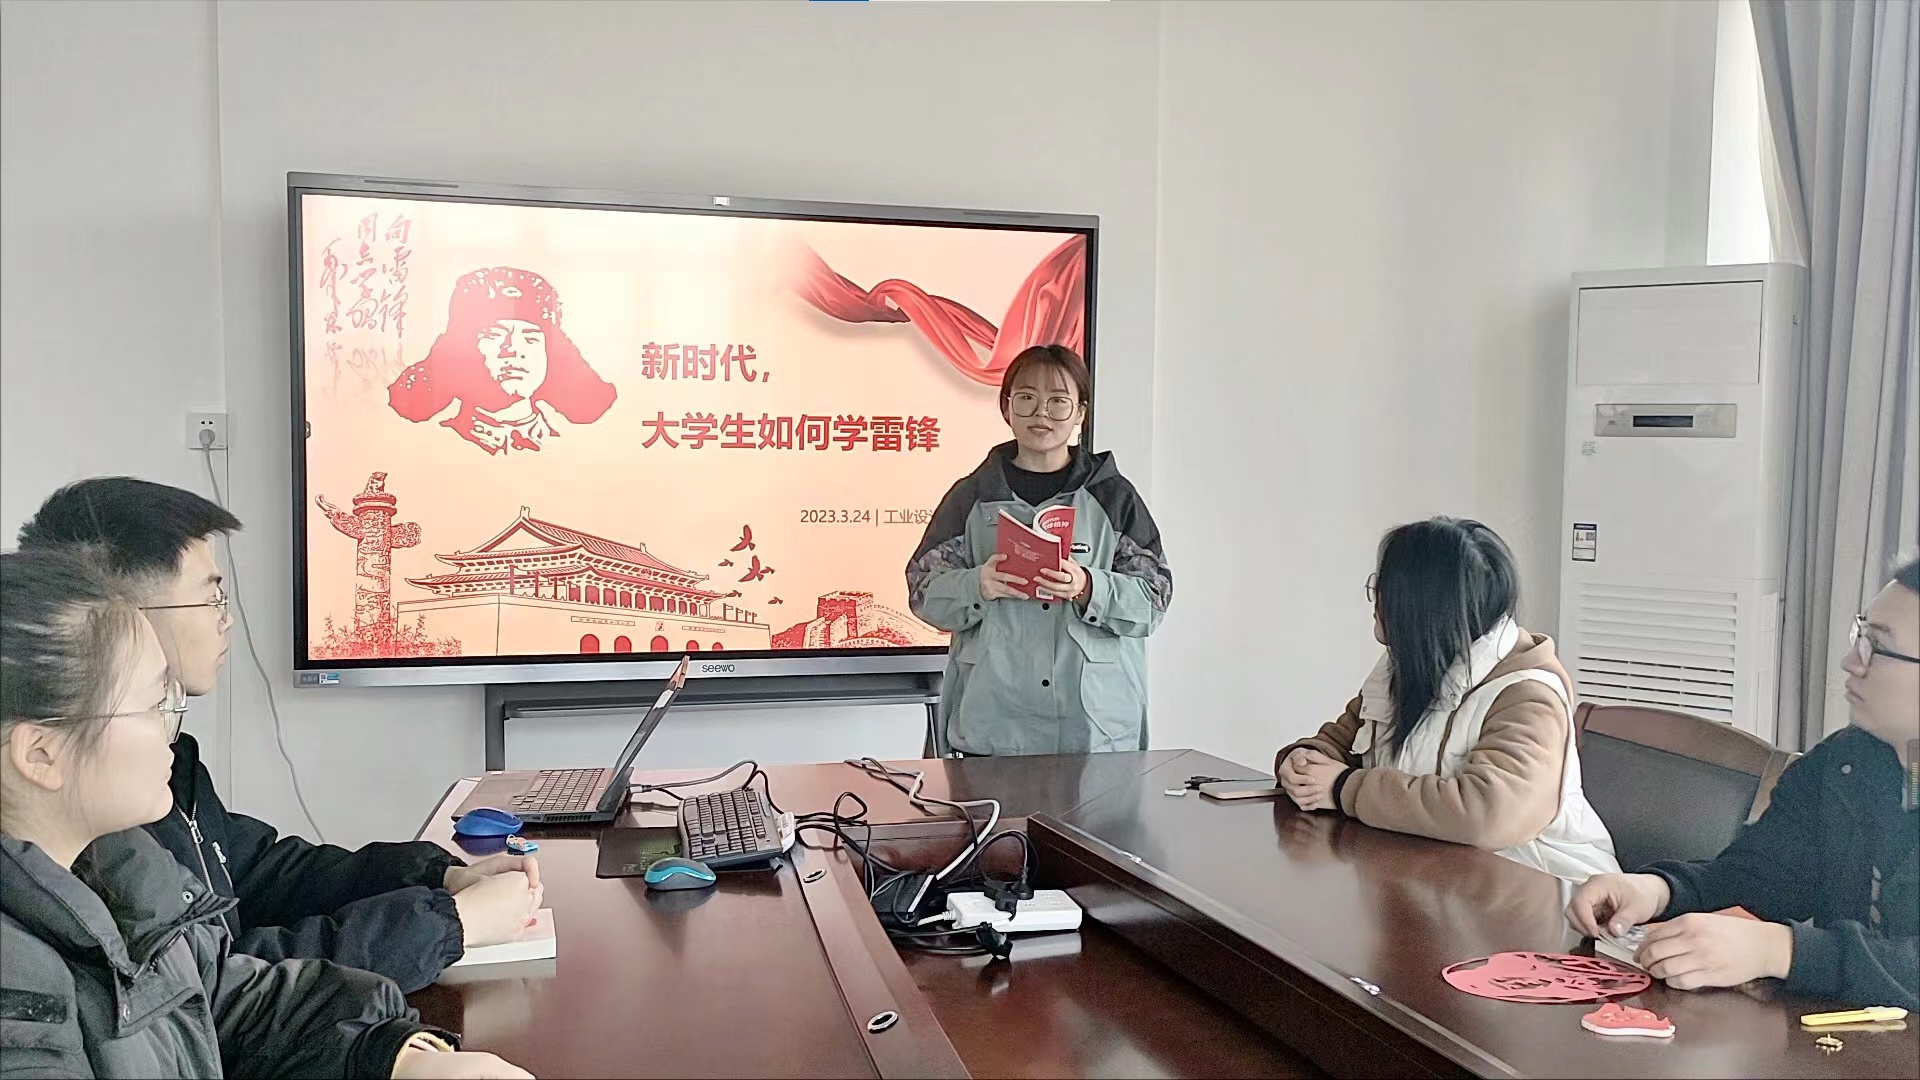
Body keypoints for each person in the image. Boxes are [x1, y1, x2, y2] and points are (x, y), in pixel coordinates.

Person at [1, 548, 531, 1078]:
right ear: (41, 754)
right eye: (152, 704)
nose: (171, 726)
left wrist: (392, 1057)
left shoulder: (125, 869)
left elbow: (228, 1005)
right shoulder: (19, 994)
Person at [1566, 559, 1919, 1008]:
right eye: (1860, 636)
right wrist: (1657, 891)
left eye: (1877, 647)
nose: (1850, 662)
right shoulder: (1849, 761)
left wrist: (1780, 950)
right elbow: (1762, 875)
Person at [1275, 517, 1618, 880]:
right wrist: (1304, 761)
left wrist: (1345, 788)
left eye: (1384, 588)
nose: (1375, 602)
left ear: (1422, 606)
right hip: (1433, 880)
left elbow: (1489, 815)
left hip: (1546, 888)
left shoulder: (1527, 694)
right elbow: (1343, 741)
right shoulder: (1406, 663)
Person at [906, 344, 1171, 755]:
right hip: (993, 727)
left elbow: (1154, 599)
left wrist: (1088, 587)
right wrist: (976, 585)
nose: (1041, 413)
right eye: (1027, 398)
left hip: (1094, 732)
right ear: (1006, 407)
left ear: (1080, 413)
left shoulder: (1112, 497)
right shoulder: (971, 496)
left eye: (1058, 401)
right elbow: (923, 591)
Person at [387, 266, 617, 455]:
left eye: (531, 338)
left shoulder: (576, 449)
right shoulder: (430, 447)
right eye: (494, 335)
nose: (513, 350)